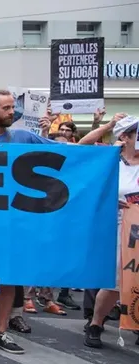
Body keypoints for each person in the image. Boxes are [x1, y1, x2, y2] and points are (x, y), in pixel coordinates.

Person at [0, 89, 113, 355]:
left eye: (13, 108)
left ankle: (0, 332)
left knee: (9, 279)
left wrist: (108, 126)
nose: (13, 112)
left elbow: (73, 151)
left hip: (13, 225)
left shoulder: (23, 136)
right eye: (7, 108)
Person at [84, 114, 136, 348]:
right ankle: (96, 323)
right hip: (120, 228)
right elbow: (80, 150)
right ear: (125, 137)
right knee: (116, 280)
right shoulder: (111, 161)